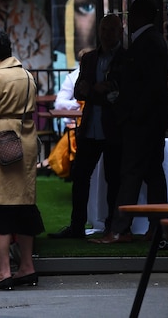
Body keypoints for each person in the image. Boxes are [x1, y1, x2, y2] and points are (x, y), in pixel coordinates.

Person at [94, 0, 168, 244]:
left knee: (130, 173)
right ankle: (157, 228)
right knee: (152, 174)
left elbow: (149, 86)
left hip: (142, 122)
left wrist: (131, 115)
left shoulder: (147, 43)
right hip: (150, 121)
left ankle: (119, 229)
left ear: (133, 17)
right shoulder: (153, 41)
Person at [0, 29, 44, 290]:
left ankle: (4, 271)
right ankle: (27, 267)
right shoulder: (26, 75)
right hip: (25, 140)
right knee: (24, 206)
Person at [49, 15, 125, 239]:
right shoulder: (90, 58)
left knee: (114, 180)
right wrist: (97, 90)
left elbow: (121, 95)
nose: (106, 34)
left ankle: (113, 226)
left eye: (111, 30)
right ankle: (77, 226)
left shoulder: (125, 59)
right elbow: (79, 92)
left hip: (113, 129)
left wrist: (94, 91)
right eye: (103, 29)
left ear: (120, 32)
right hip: (90, 127)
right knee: (80, 176)